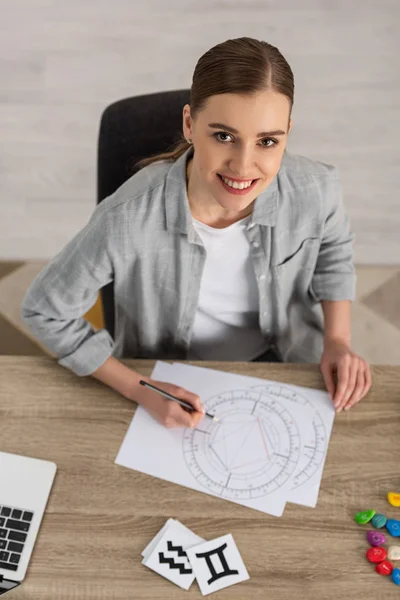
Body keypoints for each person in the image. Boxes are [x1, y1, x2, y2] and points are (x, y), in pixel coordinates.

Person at [21, 37, 372, 429]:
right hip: (172, 375)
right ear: (189, 124)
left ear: (288, 132)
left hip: (288, 362)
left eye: (267, 141)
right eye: (223, 136)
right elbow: (45, 310)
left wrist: (338, 340)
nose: (243, 166)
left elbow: (334, 251)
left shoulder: (317, 188)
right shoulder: (126, 217)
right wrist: (139, 388)